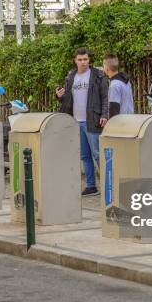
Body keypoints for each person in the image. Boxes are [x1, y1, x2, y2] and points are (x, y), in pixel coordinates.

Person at [56, 47, 109, 196]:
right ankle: (91, 185)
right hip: (76, 121)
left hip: (92, 120)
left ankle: (108, 184)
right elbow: (67, 99)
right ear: (75, 61)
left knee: (97, 154)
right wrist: (59, 96)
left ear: (89, 60)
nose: (83, 62)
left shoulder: (98, 75)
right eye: (80, 60)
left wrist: (104, 114)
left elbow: (105, 97)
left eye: (85, 59)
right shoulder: (71, 77)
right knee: (84, 156)